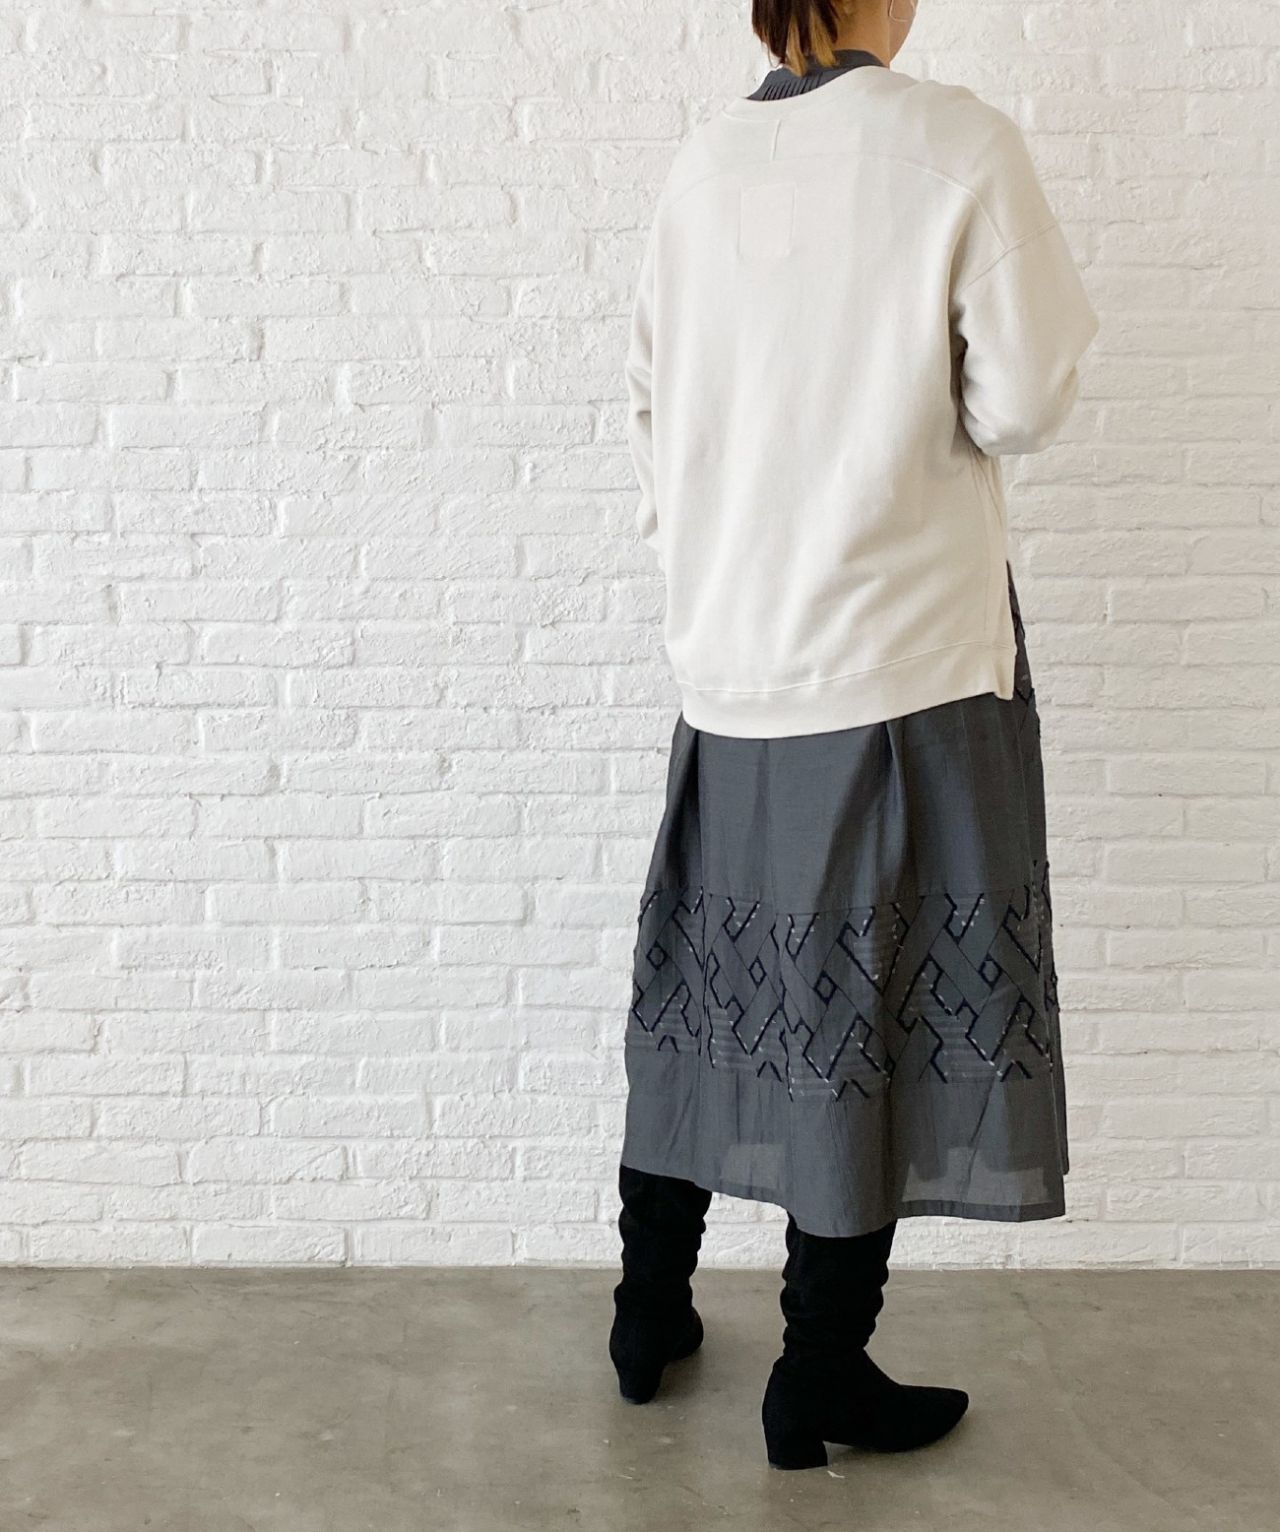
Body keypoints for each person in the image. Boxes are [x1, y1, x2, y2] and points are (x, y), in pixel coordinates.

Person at [607, 0, 1100, 1473]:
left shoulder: (700, 166)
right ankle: (819, 1370)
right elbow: (1027, 397)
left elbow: (650, 411)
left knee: (709, 985)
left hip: (732, 658)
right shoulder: (953, 145)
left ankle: (647, 1312)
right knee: (867, 1006)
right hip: (899, 660)